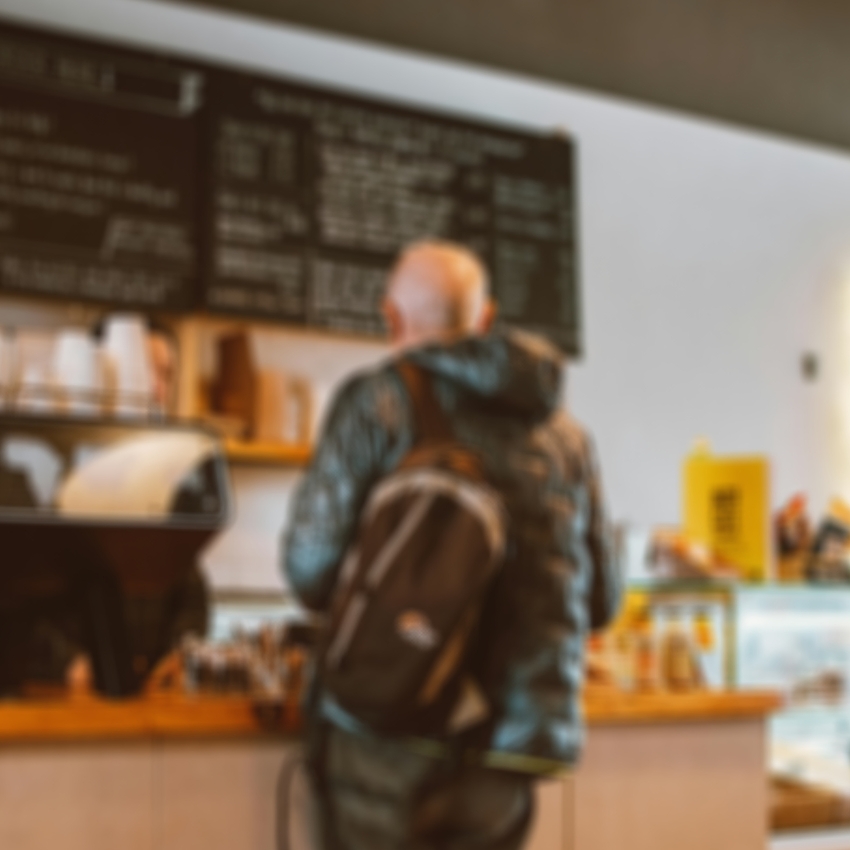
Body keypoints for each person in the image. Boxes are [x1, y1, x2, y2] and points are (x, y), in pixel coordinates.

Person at [282, 241, 620, 850]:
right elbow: (601, 602)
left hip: (390, 725)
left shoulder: (378, 402)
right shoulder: (566, 436)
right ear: (485, 320)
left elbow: (310, 569)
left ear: (392, 318)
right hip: (514, 742)